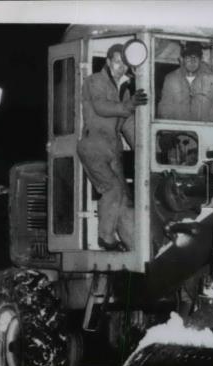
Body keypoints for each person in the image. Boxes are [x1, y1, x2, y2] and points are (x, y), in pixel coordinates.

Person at [77, 43, 148, 251]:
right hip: (94, 146)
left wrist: (144, 148)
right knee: (112, 188)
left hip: (113, 147)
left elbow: (126, 121)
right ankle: (105, 237)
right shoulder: (94, 81)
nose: (121, 67)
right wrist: (127, 106)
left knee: (123, 197)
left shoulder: (124, 89)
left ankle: (133, 245)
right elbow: (101, 107)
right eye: (117, 62)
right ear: (108, 62)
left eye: (125, 63)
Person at [157, 41, 213, 123]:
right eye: (188, 57)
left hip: (207, 134)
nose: (192, 60)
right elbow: (164, 112)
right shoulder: (171, 80)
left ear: (201, 59)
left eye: (196, 57)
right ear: (181, 59)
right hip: (179, 134)